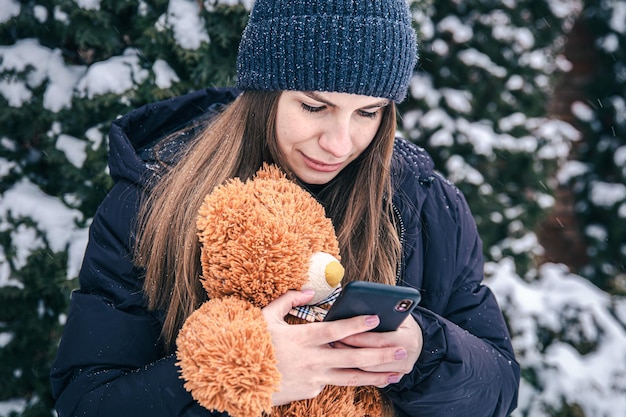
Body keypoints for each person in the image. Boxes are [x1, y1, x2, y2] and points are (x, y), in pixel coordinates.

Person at [50, 0, 520, 416]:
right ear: (264, 94)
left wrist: (424, 350)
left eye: (368, 113)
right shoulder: (152, 199)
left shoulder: (426, 206)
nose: (339, 143)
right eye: (315, 107)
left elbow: (499, 386)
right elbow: (87, 400)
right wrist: (244, 377)